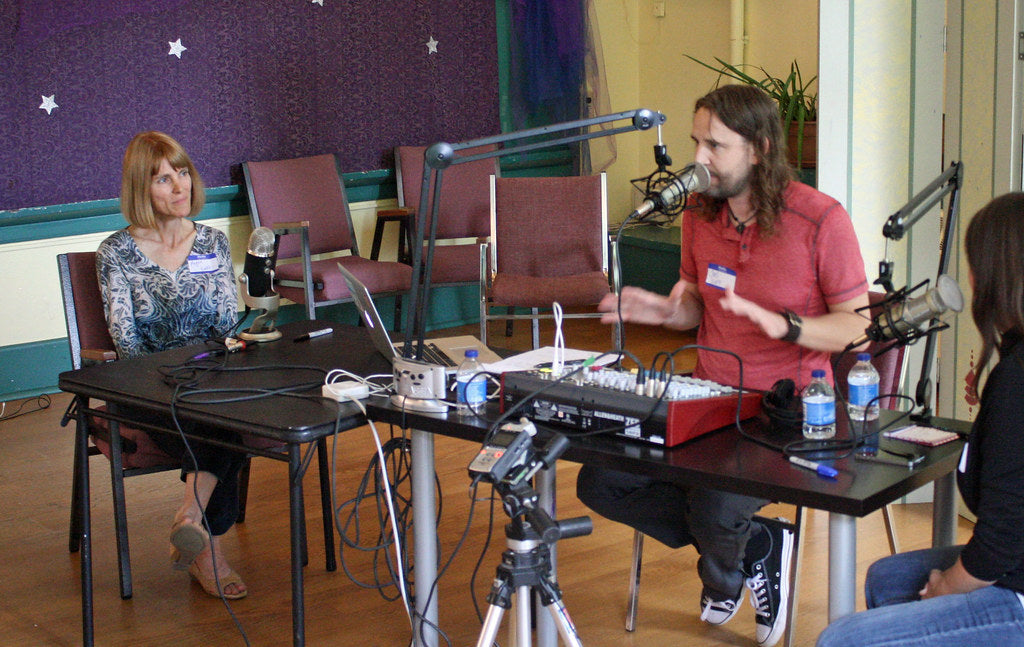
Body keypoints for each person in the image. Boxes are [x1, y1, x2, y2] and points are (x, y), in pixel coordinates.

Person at [576, 84, 870, 647]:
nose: (700, 159)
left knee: (714, 500)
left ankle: (726, 558)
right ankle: (754, 544)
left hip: (785, 412)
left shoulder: (820, 219)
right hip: (707, 395)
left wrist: (785, 325)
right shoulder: (699, 214)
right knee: (602, 478)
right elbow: (692, 306)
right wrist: (665, 310)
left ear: (758, 149)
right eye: (696, 142)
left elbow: (856, 324)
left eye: (716, 145)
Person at [816, 193, 1024, 646]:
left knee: (842, 640)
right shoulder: (1012, 371)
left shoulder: (1017, 380)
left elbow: (1001, 543)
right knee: (888, 579)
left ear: (991, 275)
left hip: (1017, 584)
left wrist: (947, 587)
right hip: (1013, 563)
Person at [96, 131, 248, 600]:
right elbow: (127, 342)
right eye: (164, 179)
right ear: (142, 189)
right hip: (147, 385)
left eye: (182, 172)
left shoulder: (213, 244)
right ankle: (207, 552)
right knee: (219, 428)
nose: (180, 186)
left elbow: (227, 323)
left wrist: (245, 329)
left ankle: (189, 518)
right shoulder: (114, 254)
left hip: (213, 378)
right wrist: (178, 377)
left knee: (227, 415)